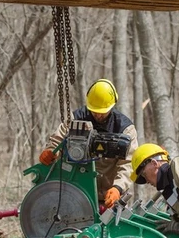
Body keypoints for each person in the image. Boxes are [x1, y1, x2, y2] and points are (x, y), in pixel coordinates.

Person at [38, 79, 139, 209]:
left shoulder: (125, 128)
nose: (97, 114)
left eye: (102, 112)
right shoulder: (76, 119)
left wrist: (118, 188)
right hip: (76, 193)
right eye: (94, 110)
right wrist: (51, 151)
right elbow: (58, 139)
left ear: (112, 106)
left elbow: (129, 163)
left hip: (108, 197)